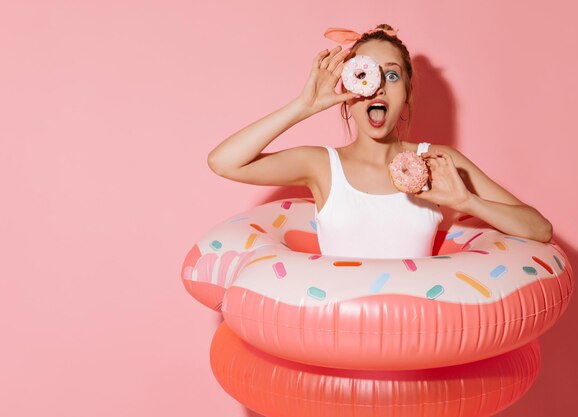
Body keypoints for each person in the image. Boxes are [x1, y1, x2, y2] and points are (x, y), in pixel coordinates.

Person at [207, 24, 553, 258]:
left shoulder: (437, 162)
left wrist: (467, 202)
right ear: (348, 88)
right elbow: (223, 161)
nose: (378, 86)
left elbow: (539, 228)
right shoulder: (322, 165)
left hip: (416, 344)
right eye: (364, 74)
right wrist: (303, 106)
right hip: (339, 342)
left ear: (408, 94)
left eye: (392, 74)